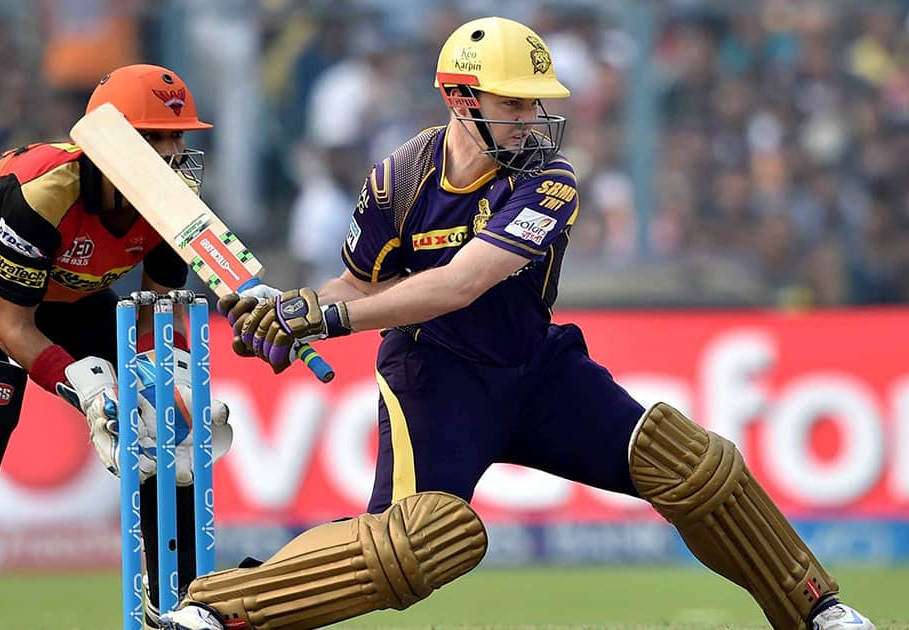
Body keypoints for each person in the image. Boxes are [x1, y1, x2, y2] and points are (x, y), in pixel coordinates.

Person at [161, 16, 876, 630]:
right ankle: (215, 611)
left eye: (537, 103)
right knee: (412, 545)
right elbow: (355, 279)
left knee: (693, 465)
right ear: (459, 97)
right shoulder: (398, 179)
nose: (533, 119)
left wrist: (326, 315)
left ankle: (818, 610)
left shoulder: (548, 178)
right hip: (434, 381)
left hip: (538, 373)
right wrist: (295, 315)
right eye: (515, 103)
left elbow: (461, 281)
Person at [0, 64, 232, 629]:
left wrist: (171, 378)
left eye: (178, 136)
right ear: (107, 142)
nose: (172, 153)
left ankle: (177, 603)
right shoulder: (43, 192)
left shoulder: (177, 197)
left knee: (159, 406)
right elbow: (13, 329)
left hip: (57, 285)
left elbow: (158, 310)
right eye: (154, 137)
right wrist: (86, 387)